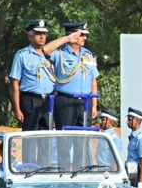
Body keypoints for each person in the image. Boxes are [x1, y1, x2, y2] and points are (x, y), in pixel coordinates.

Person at [9, 19, 54, 164]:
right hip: (30, 99)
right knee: (29, 137)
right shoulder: (22, 55)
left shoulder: (51, 55)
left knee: (46, 138)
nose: (41, 37)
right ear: (30, 36)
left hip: (48, 100)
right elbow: (15, 83)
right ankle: (29, 167)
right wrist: (17, 109)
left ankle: (44, 168)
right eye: (38, 34)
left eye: (44, 34)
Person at [43, 22, 99, 129]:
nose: (84, 38)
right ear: (73, 35)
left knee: (83, 140)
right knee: (65, 140)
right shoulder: (60, 53)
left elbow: (93, 80)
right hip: (66, 101)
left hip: (85, 101)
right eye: (81, 35)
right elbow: (46, 50)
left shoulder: (87, 54)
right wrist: (67, 39)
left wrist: (94, 104)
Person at [125, 107, 142, 188]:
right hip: (131, 172)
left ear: (137, 121)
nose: (127, 122)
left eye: (130, 119)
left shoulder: (140, 139)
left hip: (137, 174)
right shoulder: (133, 137)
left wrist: (141, 182)